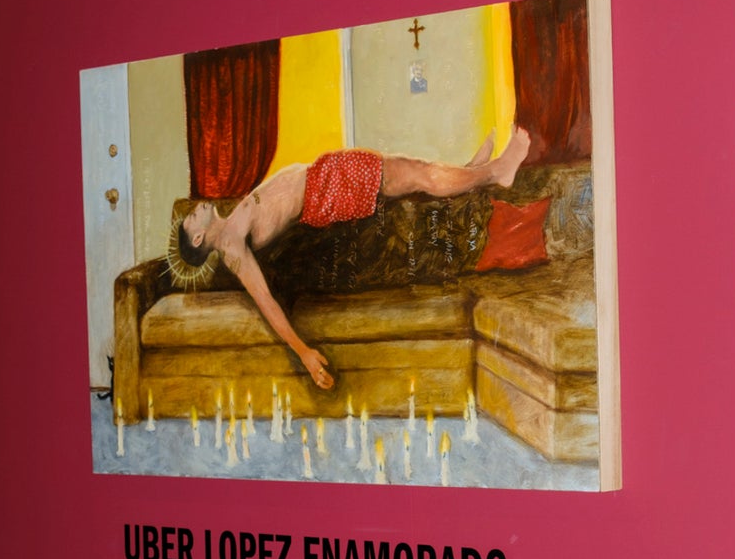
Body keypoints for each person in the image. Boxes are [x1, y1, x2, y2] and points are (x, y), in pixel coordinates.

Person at [169, 128, 531, 389]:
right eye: (191, 219)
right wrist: (303, 352)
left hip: (325, 179)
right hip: (327, 188)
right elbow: (265, 300)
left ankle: (472, 175)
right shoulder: (232, 249)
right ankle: (494, 173)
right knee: (415, 173)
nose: (195, 209)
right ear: (199, 238)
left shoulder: (231, 225)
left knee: (412, 175)